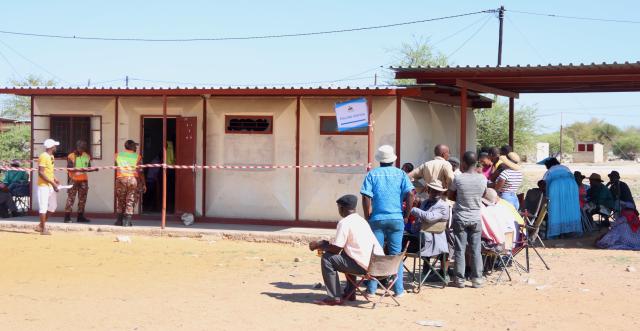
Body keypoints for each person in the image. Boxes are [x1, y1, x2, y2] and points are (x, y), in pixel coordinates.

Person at [308, 195, 384, 306]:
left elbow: (336, 249)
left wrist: (319, 245)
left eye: (339, 207)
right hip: (379, 265)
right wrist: (324, 244)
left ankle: (334, 297)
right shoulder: (362, 221)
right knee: (346, 254)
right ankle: (350, 292)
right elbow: (342, 246)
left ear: (342, 208)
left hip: (366, 267)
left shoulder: (344, 223)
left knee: (327, 258)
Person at [361, 145, 414, 297]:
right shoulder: (401, 174)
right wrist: (406, 214)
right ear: (393, 159)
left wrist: (367, 215)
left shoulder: (372, 174)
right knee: (396, 255)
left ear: (379, 160)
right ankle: (398, 290)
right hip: (397, 218)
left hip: (377, 219)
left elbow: (365, 196)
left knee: (375, 254)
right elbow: (411, 194)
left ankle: (371, 289)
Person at [448, 151, 487, 288]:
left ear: (463, 163)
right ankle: (477, 279)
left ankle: (459, 280)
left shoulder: (458, 179)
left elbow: (451, 195)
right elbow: (484, 194)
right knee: (476, 249)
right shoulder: (482, 179)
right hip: (476, 218)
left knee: (459, 249)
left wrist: (460, 198)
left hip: (460, 217)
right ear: (476, 162)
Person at [542, 158, 582, 238]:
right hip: (571, 186)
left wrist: (546, 196)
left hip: (556, 186)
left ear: (549, 165)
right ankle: (570, 231)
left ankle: (558, 232)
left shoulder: (549, 171)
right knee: (570, 208)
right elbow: (572, 177)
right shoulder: (565, 168)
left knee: (556, 208)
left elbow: (546, 184)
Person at [64, 140, 98, 223]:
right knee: (71, 198)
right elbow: (70, 168)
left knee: (82, 199)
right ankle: (67, 217)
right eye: (81, 148)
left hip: (83, 180)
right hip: (73, 180)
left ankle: (80, 217)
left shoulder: (87, 156)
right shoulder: (71, 156)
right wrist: (79, 169)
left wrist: (93, 169)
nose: (82, 150)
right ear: (77, 147)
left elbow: (88, 167)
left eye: (83, 148)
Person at [114, 140, 145, 227]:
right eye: (134, 146)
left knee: (120, 200)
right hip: (132, 179)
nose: (136, 147)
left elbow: (116, 166)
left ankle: (119, 221)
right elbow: (141, 172)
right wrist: (143, 183)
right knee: (130, 200)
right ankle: (127, 222)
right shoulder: (138, 157)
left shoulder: (117, 155)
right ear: (130, 147)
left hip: (120, 179)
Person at [36, 139, 60, 235]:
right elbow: (41, 173)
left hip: (49, 184)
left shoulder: (51, 157)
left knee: (53, 206)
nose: (56, 147)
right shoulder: (43, 156)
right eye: (55, 146)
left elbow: (49, 171)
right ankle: (43, 229)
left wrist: (54, 179)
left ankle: (41, 225)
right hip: (43, 186)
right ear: (51, 147)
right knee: (43, 206)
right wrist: (53, 183)